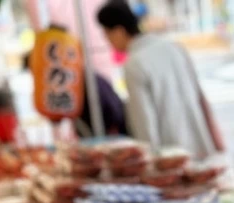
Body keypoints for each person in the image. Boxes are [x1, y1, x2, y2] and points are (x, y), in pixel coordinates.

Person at [96, 0, 225, 160]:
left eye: (107, 35)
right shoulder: (173, 48)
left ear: (119, 31)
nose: (108, 42)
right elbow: (200, 98)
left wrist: (151, 162)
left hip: (171, 157)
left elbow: (145, 127)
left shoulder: (134, 64)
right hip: (202, 144)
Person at [23, 33, 129, 137]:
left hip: (110, 128)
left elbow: (110, 110)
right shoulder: (72, 76)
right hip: (104, 124)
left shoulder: (73, 81)